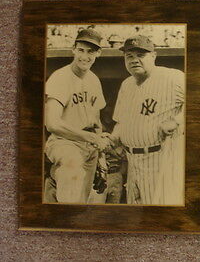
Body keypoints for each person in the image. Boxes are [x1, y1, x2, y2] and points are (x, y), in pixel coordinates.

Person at [110, 35, 185, 205]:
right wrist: (112, 138)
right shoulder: (126, 85)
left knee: (159, 216)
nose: (134, 60)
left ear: (154, 56)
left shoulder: (173, 78)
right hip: (132, 162)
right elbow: (121, 122)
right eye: (129, 56)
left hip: (160, 160)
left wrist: (177, 121)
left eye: (141, 55)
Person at [44, 29, 111, 203]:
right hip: (64, 141)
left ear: (99, 53)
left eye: (90, 51)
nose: (84, 56)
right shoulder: (60, 77)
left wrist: (101, 156)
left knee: (84, 201)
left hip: (89, 146)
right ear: (73, 49)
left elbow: (96, 122)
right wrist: (90, 137)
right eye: (81, 50)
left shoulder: (94, 80)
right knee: (72, 170)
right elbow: (52, 124)